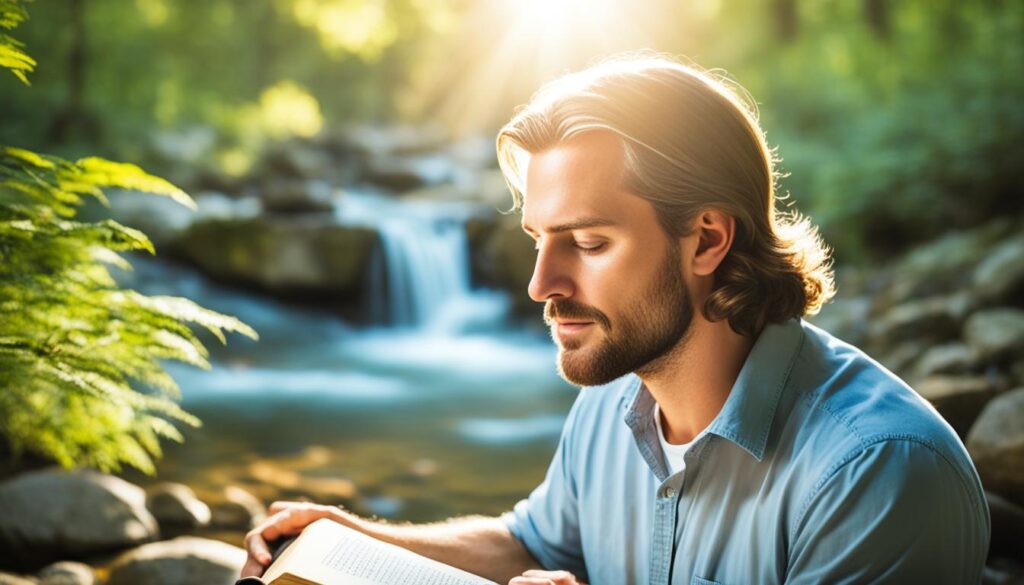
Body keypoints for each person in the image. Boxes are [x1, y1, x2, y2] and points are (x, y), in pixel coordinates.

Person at [240, 54, 990, 585]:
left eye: (590, 242)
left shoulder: (878, 472)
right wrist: (344, 536)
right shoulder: (612, 398)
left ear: (707, 239)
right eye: (539, 239)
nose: (542, 283)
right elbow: (532, 542)